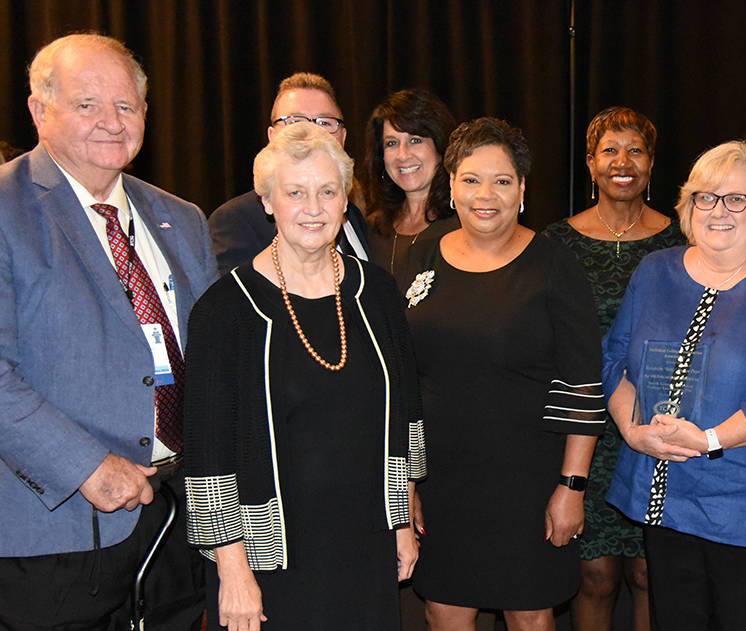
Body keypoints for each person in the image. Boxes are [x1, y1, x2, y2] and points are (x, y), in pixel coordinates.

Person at [0, 33, 215, 629]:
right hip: (54, 531)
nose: (111, 122)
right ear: (40, 111)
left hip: (178, 524)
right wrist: (87, 466)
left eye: (126, 105)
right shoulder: (5, 208)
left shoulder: (182, 218)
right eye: (87, 103)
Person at [183, 122, 424, 630]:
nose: (312, 208)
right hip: (268, 557)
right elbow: (207, 456)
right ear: (268, 202)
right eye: (295, 192)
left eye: (327, 191)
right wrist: (233, 570)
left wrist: (401, 520)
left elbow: (403, 417)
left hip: (368, 539)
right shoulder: (224, 311)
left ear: (345, 201)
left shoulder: (377, 293)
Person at [604, 140, 746, 630]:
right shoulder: (654, 271)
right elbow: (614, 359)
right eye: (705, 197)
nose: (719, 210)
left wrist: (709, 441)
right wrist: (631, 430)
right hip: (666, 502)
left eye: (737, 198)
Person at [402, 117, 604, 631]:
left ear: (522, 190)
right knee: (443, 608)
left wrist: (572, 487)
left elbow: (584, 385)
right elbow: (399, 378)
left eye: (501, 180)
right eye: (470, 179)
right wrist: (405, 482)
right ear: (450, 187)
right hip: (442, 479)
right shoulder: (425, 252)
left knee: (531, 613)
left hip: (529, 483)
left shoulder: (555, 263)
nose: (484, 194)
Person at [543, 105, 685, 631]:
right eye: (609, 150)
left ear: (651, 163)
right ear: (589, 163)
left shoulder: (682, 238)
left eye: (636, 150)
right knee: (595, 575)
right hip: (585, 426)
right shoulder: (556, 241)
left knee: (651, 572)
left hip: (660, 424)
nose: (622, 162)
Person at [209, 72, 371, 274]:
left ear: (343, 137)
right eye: (296, 121)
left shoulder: (354, 216)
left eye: (325, 123)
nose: (313, 133)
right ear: (271, 136)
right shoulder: (235, 222)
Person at [362, 88, 461, 277]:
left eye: (415, 140)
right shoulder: (370, 230)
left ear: (440, 148)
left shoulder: (464, 226)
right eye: (391, 143)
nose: (402, 155)